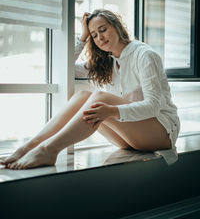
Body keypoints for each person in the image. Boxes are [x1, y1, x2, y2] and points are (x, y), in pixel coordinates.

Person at [0, 9, 180, 170]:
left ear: (117, 26)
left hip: (161, 133)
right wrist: (82, 36)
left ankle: (49, 150)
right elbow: (64, 66)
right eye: (94, 35)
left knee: (102, 97)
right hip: (132, 139)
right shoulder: (108, 62)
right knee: (83, 96)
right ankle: (29, 147)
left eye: (103, 29)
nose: (99, 38)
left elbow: (153, 106)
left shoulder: (144, 55)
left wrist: (112, 110)